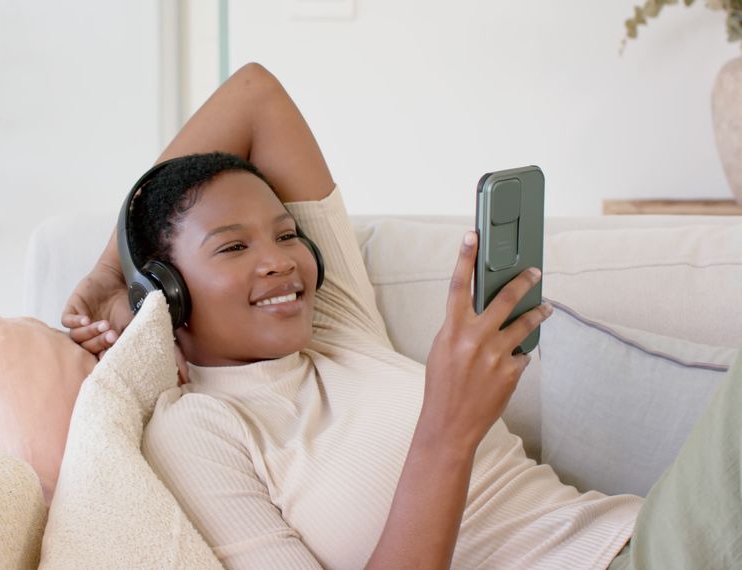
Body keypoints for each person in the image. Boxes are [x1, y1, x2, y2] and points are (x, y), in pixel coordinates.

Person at [60, 63, 742, 569]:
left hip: (652, 540)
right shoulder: (198, 430)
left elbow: (255, 96)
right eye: (234, 247)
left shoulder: (335, 326)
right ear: (166, 289)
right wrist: (446, 429)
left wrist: (102, 272)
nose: (280, 261)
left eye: (287, 234)